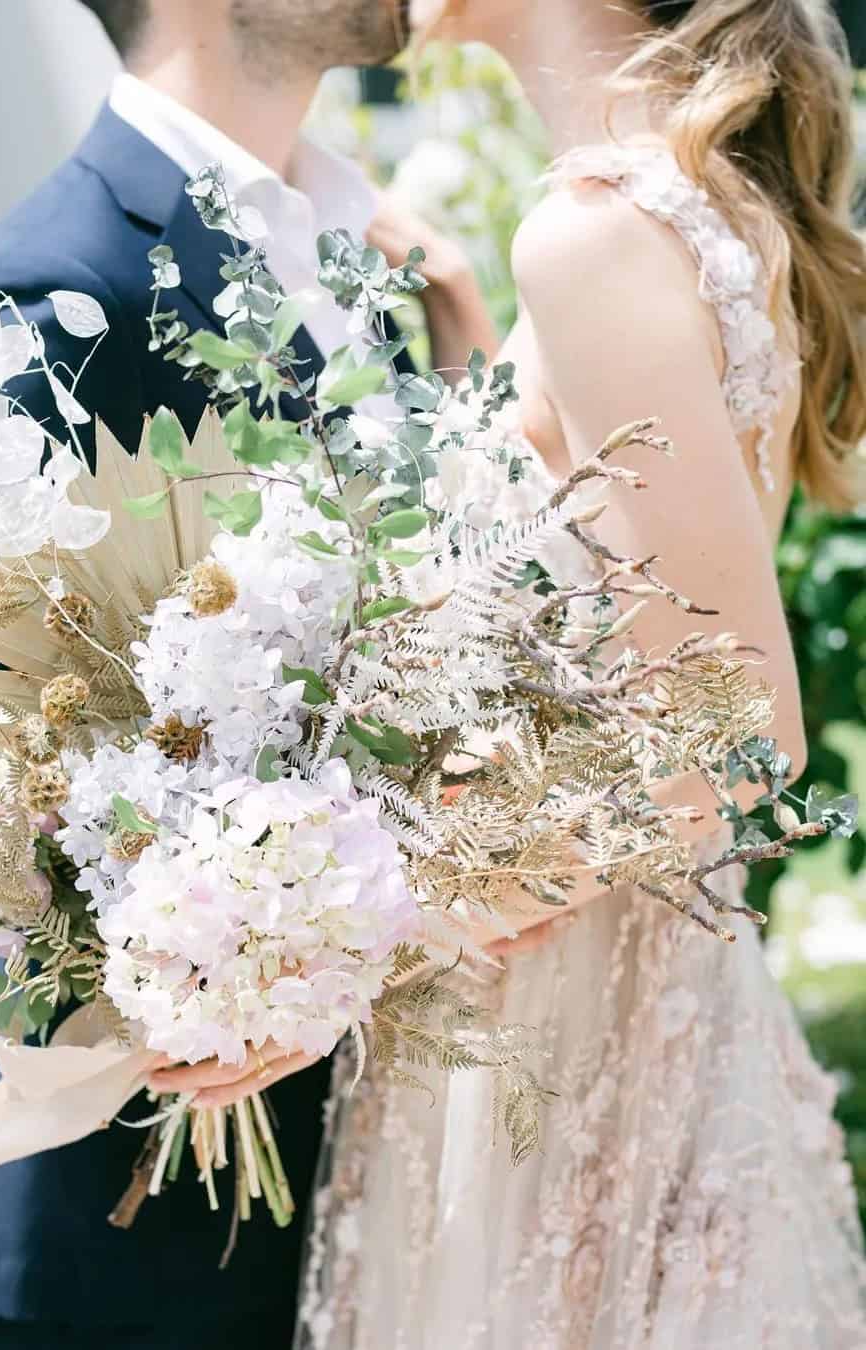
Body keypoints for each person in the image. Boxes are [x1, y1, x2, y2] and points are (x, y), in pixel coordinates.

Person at [0, 3, 492, 1346]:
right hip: (117, 1218)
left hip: (341, 1190)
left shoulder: (363, 265)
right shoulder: (46, 283)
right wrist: (216, 960)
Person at [299, 1, 866, 1346]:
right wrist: (483, 367)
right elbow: (614, 580)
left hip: (570, 1042)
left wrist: (405, 909)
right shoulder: (672, 207)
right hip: (614, 996)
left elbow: (742, 734)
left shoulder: (599, 235)